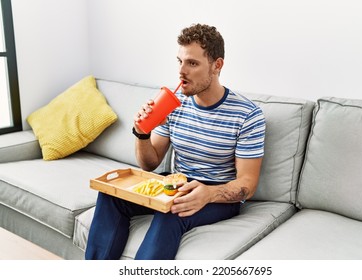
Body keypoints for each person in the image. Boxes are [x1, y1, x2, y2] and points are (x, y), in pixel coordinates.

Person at [85, 23, 265, 260]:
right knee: (112, 195)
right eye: (179, 61)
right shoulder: (174, 103)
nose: (182, 71)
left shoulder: (248, 115)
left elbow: (248, 184)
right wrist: (142, 132)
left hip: (217, 193)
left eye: (192, 63)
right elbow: (150, 164)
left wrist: (208, 194)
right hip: (176, 183)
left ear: (217, 65)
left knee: (173, 210)